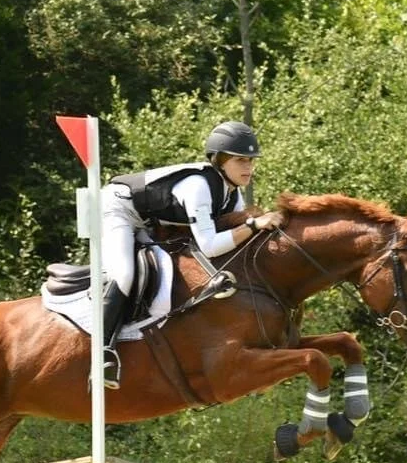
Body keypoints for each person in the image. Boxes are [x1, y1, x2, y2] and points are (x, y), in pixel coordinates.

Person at [99, 120, 284, 389]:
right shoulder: (198, 186)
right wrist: (253, 224)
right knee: (125, 273)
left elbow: (233, 241)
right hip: (117, 210)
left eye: (251, 161)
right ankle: (103, 352)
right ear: (220, 160)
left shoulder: (232, 194)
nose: (249, 168)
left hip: (150, 222)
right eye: (241, 161)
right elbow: (210, 245)